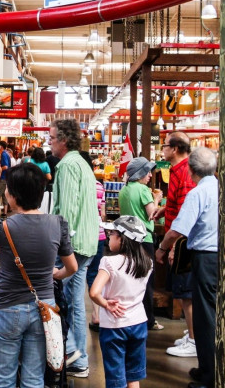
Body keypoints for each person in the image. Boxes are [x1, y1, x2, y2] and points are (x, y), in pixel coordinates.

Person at [0, 163, 78, 388]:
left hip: (8, 307)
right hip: (45, 308)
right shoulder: (58, 223)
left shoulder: (5, 226)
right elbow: (73, 267)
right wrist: (56, 274)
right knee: (34, 378)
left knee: (3, 378)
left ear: (11, 195)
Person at [156, 147, 218, 388]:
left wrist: (162, 248)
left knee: (205, 317)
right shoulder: (221, 187)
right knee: (216, 314)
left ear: (191, 170)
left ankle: (209, 376)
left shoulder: (197, 193)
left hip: (204, 258)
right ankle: (210, 369)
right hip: (220, 258)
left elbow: (177, 230)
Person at [49, 119, 99, 378]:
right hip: (88, 242)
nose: (49, 141)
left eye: (53, 137)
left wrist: (57, 247)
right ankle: (78, 357)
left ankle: (73, 355)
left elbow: (65, 214)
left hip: (74, 245)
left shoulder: (67, 165)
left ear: (64, 140)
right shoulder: (82, 162)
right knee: (76, 301)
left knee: (67, 301)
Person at [89, 215, 153, 388]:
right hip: (139, 323)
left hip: (114, 326)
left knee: (116, 377)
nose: (109, 236)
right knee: (133, 376)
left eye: (112, 233)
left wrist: (105, 303)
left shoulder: (109, 262)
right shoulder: (147, 263)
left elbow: (94, 292)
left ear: (122, 239)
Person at [152, 131, 196, 357]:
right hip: (179, 242)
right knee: (183, 292)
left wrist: (176, 246)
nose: (163, 149)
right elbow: (178, 203)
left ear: (176, 149)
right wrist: (165, 207)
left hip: (183, 244)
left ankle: (195, 341)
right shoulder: (177, 171)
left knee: (187, 294)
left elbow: (187, 213)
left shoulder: (185, 172)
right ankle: (191, 334)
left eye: (166, 145)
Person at [118, 156, 163, 331]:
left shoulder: (124, 190)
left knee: (131, 279)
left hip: (128, 239)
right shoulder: (143, 191)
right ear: (141, 173)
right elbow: (152, 214)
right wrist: (157, 199)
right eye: (148, 172)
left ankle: (131, 316)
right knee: (146, 280)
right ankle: (148, 319)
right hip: (145, 239)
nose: (151, 175)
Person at [80, 151, 106, 332]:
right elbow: (103, 213)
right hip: (99, 234)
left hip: (82, 235)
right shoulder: (99, 186)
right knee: (95, 274)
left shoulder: (77, 186)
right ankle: (97, 315)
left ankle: (77, 316)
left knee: (79, 273)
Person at [0, 141, 11, 216]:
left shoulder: (3, 154)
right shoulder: (7, 153)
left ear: (1, 146)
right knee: (4, 195)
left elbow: (5, 166)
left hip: (3, 177)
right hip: (6, 177)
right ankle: (5, 213)